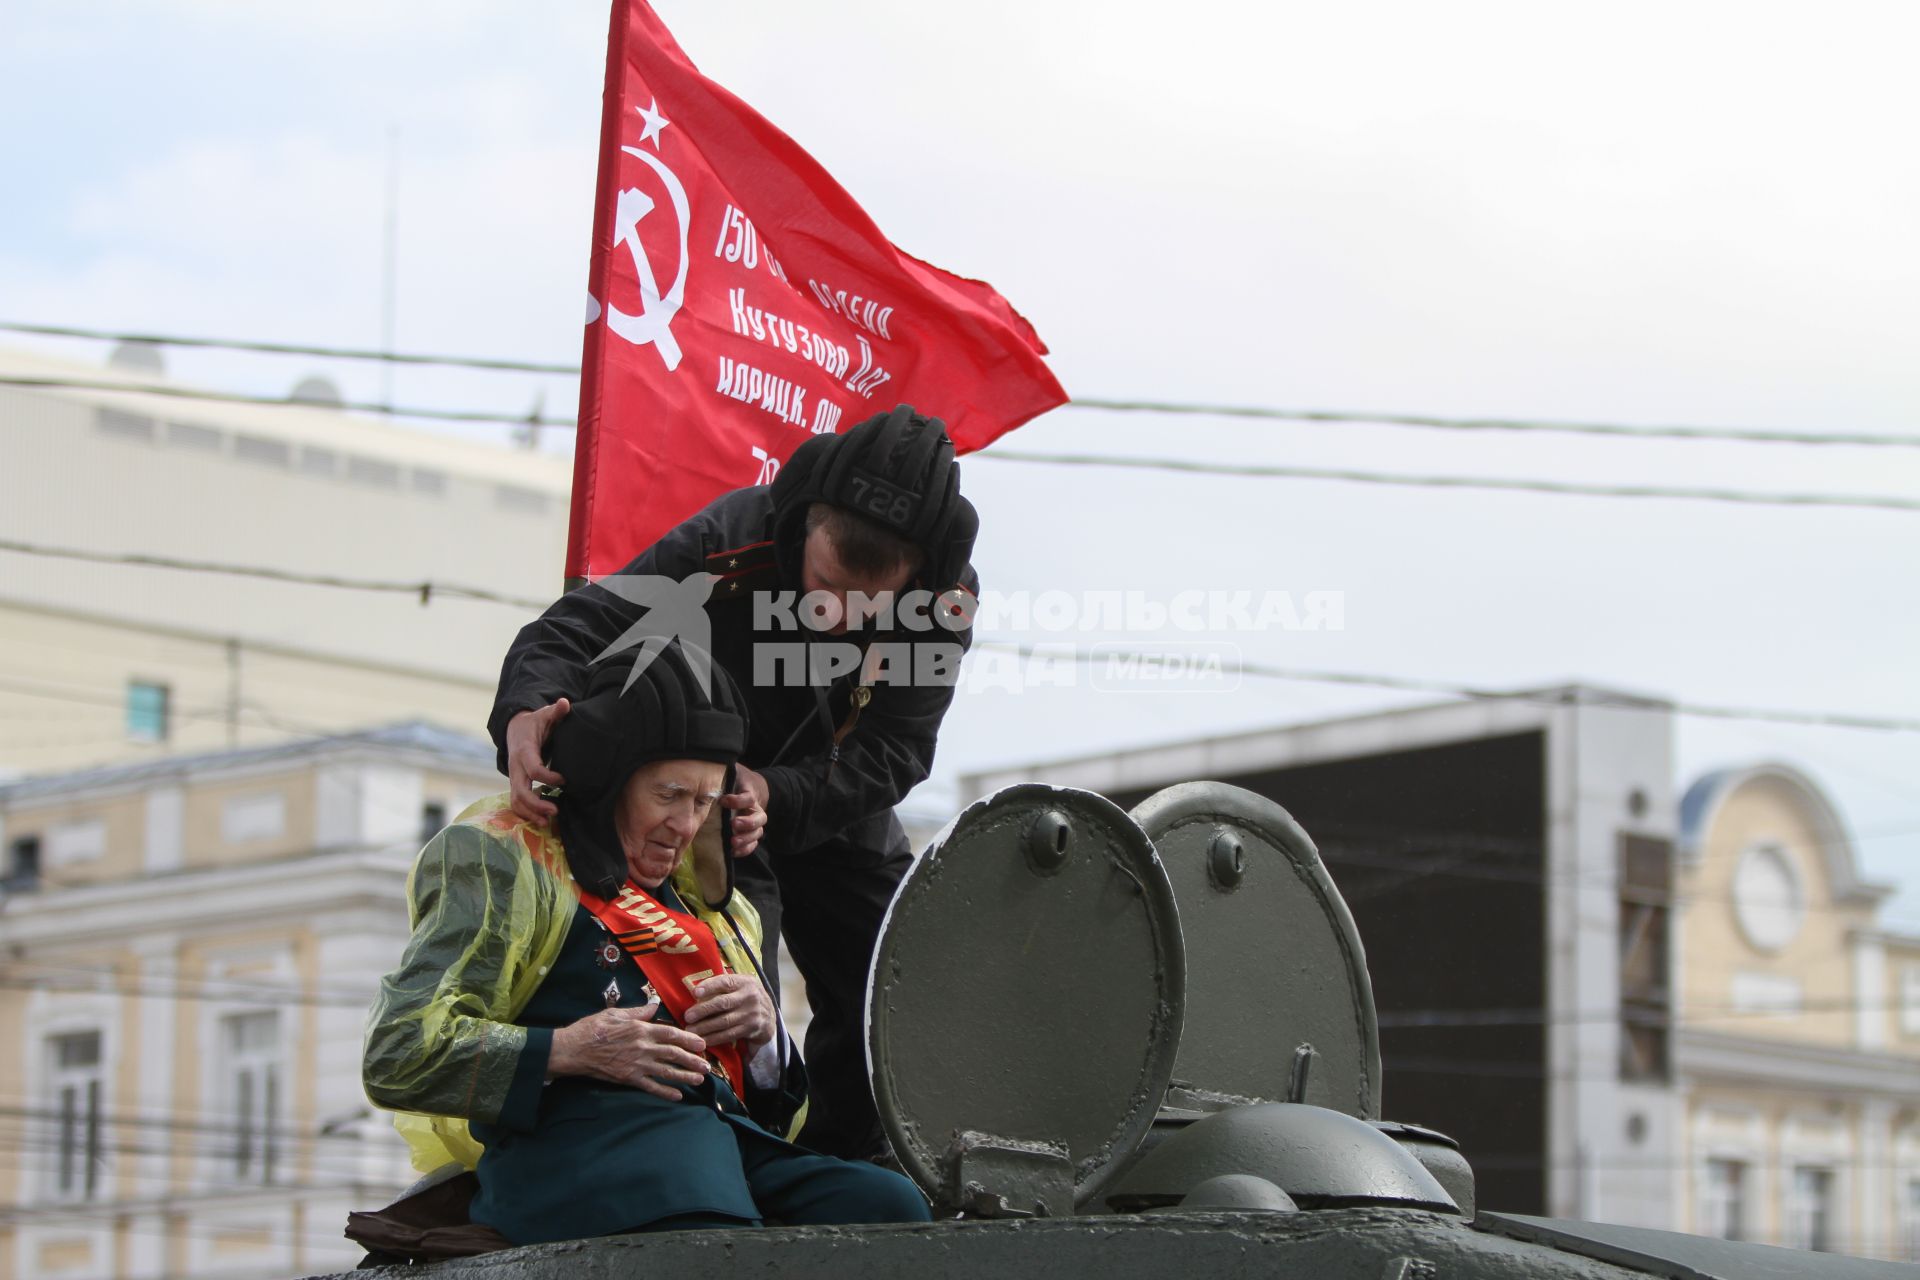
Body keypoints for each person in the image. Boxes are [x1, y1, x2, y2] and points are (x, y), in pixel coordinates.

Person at [488, 404, 977, 1160]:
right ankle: (747, 1159)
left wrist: (779, 791)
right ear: (801, 522)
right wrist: (525, 711)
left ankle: (850, 1171)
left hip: (833, 795)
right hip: (708, 803)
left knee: (898, 978)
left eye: (865, 607)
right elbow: (572, 630)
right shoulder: (730, 540)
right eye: (822, 587)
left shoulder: (944, 605)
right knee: (742, 1003)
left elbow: (898, 750)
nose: (833, 618)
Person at [363, 645, 931, 1240]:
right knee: (694, 1194)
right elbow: (398, 1052)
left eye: (704, 802)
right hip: (577, 1153)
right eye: (669, 795)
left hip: (721, 1147)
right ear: (609, 778)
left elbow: (773, 1112)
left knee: (889, 1207)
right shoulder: (507, 862)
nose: (686, 826)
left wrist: (764, 1035)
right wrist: (569, 1048)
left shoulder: (714, 910)